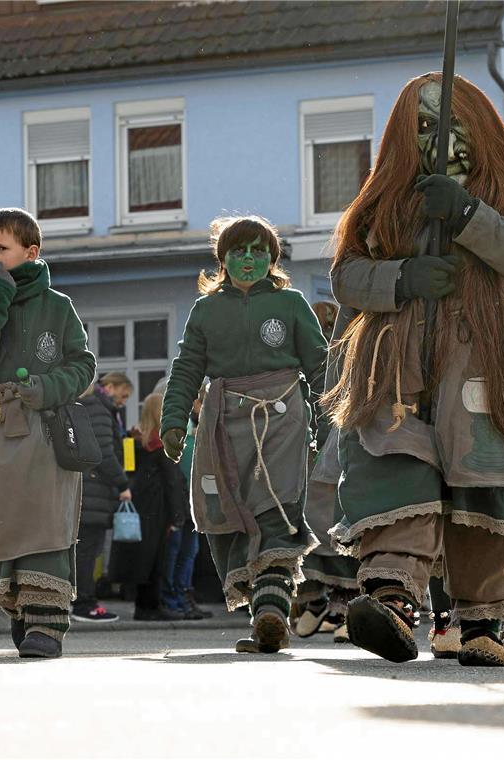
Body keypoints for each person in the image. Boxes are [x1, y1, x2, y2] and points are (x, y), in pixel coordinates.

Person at [322, 73, 504, 667]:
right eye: (425, 125)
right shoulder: (387, 195)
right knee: (398, 467)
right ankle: (392, 598)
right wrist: (399, 279)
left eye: (453, 123)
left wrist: (468, 214)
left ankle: (483, 621)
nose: (442, 137)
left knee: (484, 477)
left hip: (484, 357)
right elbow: (347, 274)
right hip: (399, 359)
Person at [161, 215, 327, 654]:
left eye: (258, 251)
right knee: (230, 516)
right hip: (224, 424)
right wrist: (174, 419)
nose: (248, 259)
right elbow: (186, 369)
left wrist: (330, 420)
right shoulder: (206, 310)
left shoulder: (292, 304)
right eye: (238, 251)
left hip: (283, 420)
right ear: (223, 259)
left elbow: (321, 368)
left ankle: (271, 611)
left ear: (272, 259)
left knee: (276, 510)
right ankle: (263, 616)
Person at [0, 207, 96, 658]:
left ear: (30, 252)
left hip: (42, 429)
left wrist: (45, 388)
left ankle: (48, 620)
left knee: (43, 517)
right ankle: (20, 607)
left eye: (2, 249)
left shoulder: (58, 306)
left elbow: (83, 365)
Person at [292, 301, 360, 640]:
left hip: (348, 439)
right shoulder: (311, 365)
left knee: (346, 521)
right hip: (321, 446)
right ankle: (316, 600)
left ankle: (343, 604)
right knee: (318, 521)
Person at [111, 391, 186, 621]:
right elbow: (172, 481)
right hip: (158, 506)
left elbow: (128, 470)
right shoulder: (162, 443)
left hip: (139, 505)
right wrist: (178, 515)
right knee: (157, 560)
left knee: (142, 559)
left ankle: (142, 605)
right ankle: (151, 606)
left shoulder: (133, 441)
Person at [72, 373, 133, 623]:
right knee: (88, 551)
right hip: (94, 491)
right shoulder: (99, 409)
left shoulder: (97, 407)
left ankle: (81, 600)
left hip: (89, 490)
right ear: (109, 387)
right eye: (123, 394)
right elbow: (104, 453)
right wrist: (122, 483)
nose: (124, 401)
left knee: (84, 550)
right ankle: (84, 603)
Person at [161, 394, 211, 620]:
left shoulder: (201, 426)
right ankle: (173, 599)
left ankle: (183, 597)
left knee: (190, 551)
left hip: (194, 498)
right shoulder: (185, 427)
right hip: (181, 498)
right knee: (177, 552)